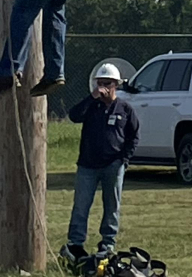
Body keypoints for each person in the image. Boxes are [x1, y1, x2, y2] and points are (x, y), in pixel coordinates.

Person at [60, 63, 140, 267]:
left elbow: (133, 135)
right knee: (81, 205)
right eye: (100, 83)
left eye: (107, 84)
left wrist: (124, 159)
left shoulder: (125, 109)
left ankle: (108, 243)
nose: (103, 87)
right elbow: (73, 115)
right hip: (88, 165)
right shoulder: (91, 106)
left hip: (113, 164)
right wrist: (92, 97)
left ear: (116, 85)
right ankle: (76, 243)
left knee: (112, 205)